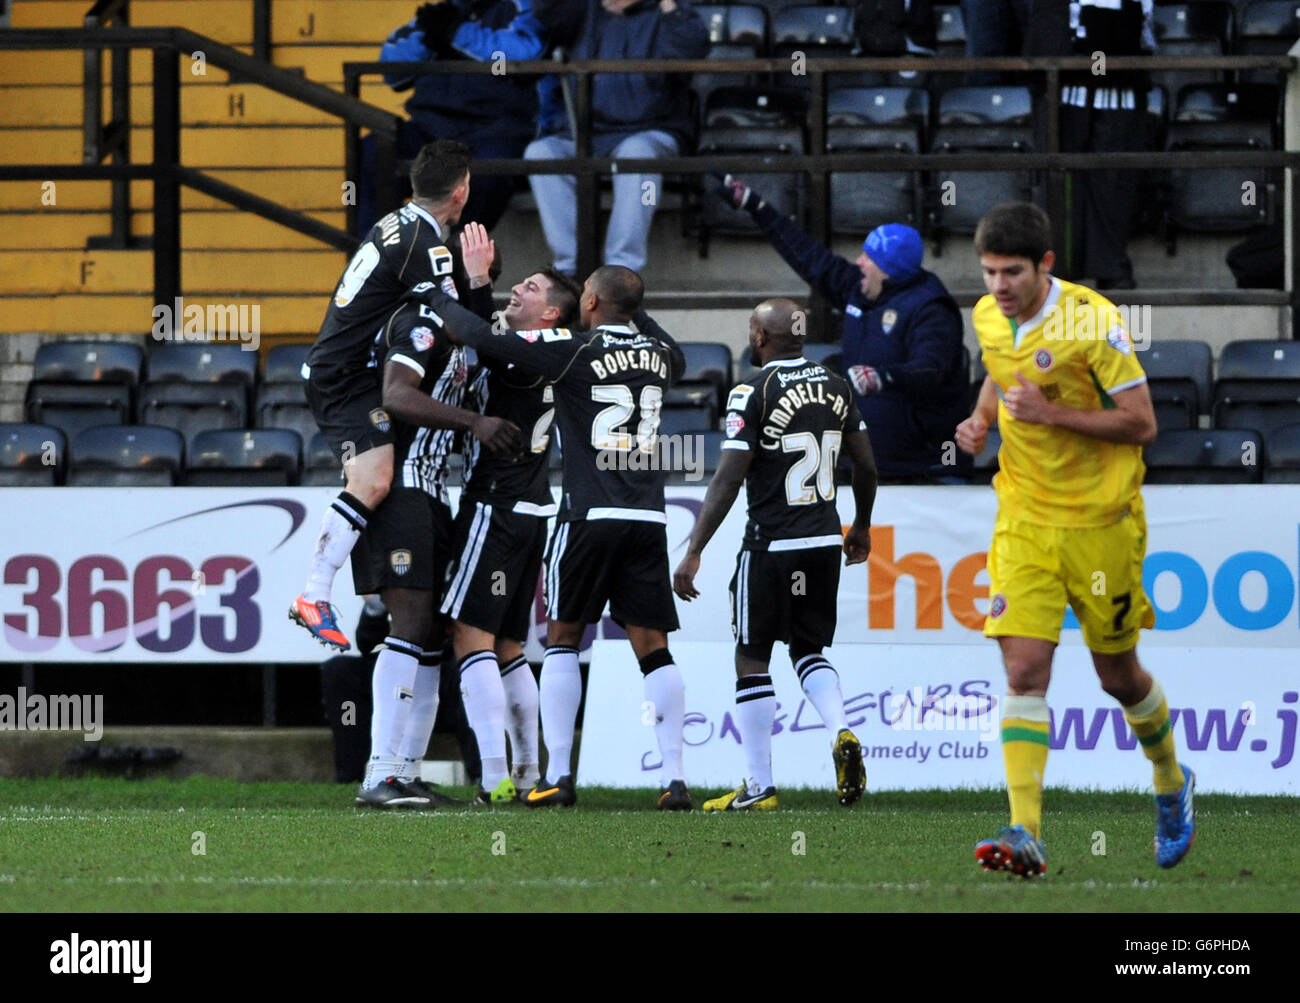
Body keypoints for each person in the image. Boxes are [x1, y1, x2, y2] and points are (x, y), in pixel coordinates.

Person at [954, 201, 1194, 876]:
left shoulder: (1094, 322)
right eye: (989, 271)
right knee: (1025, 669)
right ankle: (1024, 830)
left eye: (1012, 272)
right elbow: (999, 380)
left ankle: (1171, 783)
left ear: (1046, 265)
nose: (999, 285)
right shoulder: (985, 316)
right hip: (1024, 519)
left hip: (1100, 525)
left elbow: (1142, 424)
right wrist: (979, 421)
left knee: (1117, 675)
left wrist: (1050, 413)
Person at [420, 251, 695, 810]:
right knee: (654, 649)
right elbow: (672, 349)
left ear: (589, 304)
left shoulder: (574, 350)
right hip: (648, 516)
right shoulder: (663, 356)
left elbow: (483, 336)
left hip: (588, 513)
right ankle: (674, 780)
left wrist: (433, 296)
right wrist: (631, 308)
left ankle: (560, 778)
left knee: (564, 637)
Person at [672, 299, 879, 810]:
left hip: (771, 546)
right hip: (822, 543)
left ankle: (759, 787)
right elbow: (867, 467)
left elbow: (729, 475)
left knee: (751, 656)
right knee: (809, 650)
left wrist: (694, 549)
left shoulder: (751, 389)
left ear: (760, 338)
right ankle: (843, 730)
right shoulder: (836, 385)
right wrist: (863, 525)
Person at [291, 140, 473, 652]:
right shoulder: (427, 245)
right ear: (460, 192)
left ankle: (318, 593)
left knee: (371, 478)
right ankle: (313, 594)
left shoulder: (398, 223)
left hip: (341, 369)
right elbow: (455, 324)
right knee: (373, 479)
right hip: (345, 376)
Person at [354, 287, 523, 808]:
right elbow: (396, 395)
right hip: (402, 489)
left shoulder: (459, 345)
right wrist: (475, 422)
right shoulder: (418, 327)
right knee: (405, 626)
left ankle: (403, 772)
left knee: (428, 635)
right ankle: (379, 775)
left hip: (430, 494)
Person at [713, 173, 969, 481]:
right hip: (863, 469)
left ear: (889, 271)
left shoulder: (932, 309)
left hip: (925, 474)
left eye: (869, 257)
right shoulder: (858, 288)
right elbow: (809, 258)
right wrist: (756, 206)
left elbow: (930, 371)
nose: (859, 262)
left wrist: (882, 377)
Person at [440, 257, 583, 804]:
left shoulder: (524, 355)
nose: (517, 290)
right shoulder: (556, 354)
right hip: (533, 509)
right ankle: (527, 777)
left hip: (496, 506)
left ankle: (495, 778)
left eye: (530, 287)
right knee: (510, 646)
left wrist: (471, 286)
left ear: (550, 314)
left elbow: (475, 336)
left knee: (469, 637)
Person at [524, 0, 709, 275]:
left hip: (651, 130)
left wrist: (668, 4)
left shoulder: (668, 12)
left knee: (638, 158)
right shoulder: (581, 10)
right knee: (540, 154)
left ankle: (620, 272)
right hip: (584, 132)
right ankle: (571, 268)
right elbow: (545, 13)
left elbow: (693, 48)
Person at [371, 0, 549, 234]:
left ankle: (459, 262)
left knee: (489, 173)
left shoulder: (524, 6)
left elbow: (523, 56)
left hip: (496, 131)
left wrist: (456, 33)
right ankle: (379, 252)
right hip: (431, 129)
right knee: (376, 151)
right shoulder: (444, 11)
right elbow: (391, 71)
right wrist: (427, 39)